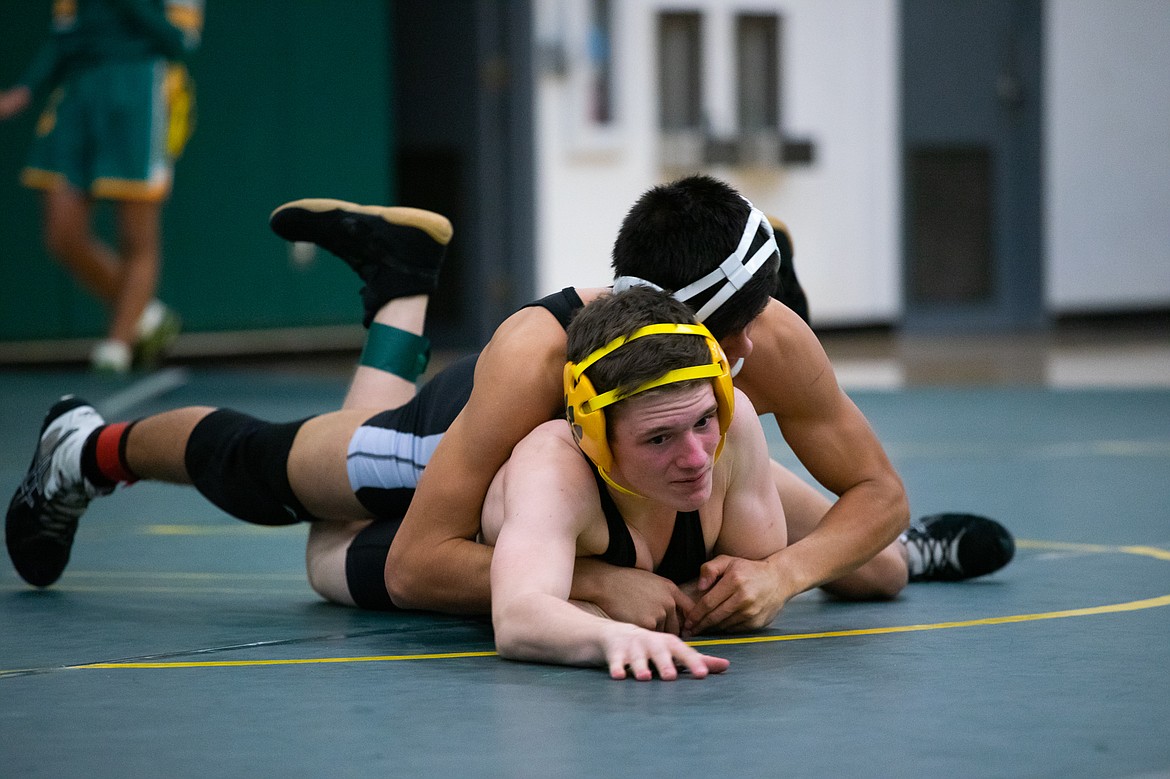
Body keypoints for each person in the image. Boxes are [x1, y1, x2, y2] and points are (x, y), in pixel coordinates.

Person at [6, 177, 1014, 633]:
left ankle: (400, 281)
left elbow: (875, 487)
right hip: (471, 434)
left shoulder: (765, 335)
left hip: (658, 468)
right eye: (736, 332)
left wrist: (789, 572)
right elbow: (417, 557)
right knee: (295, 478)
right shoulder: (536, 360)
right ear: (676, 323)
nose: (761, 348)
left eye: (763, 317)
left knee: (869, 559)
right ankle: (89, 448)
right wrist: (593, 588)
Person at [486, 286, 785, 678]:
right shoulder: (552, 469)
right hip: (427, 449)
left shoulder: (729, 431)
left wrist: (778, 578)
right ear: (593, 435)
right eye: (659, 438)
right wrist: (611, 635)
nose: (697, 459)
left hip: (654, 485)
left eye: (704, 421)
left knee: (881, 568)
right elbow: (517, 618)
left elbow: (760, 567)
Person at [0, 0, 202, 373]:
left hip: (140, 90)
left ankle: (118, 346)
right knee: (62, 232)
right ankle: (146, 315)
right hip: (79, 92)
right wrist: (26, 88)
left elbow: (180, 40)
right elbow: (65, 36)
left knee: (135, 233)